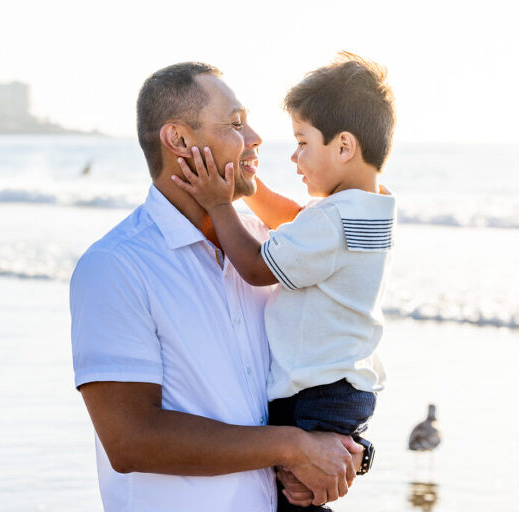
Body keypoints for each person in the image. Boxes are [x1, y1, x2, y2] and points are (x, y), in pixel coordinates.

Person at [70, 62, 364, 512]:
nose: (256, 138)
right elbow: (130, 440)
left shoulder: (267, 251)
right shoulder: (115, 265)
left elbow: (313, 375)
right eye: (236, 124)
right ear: (180, 141)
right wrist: (292, 446)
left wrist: (343, 453)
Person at [171, 53, 396, 511]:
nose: (294, 157)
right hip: (342, 389)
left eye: (302, 142)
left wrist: (220, 204)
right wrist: (251, 190)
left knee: (296, 500)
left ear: (344, 146)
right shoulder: (370, 206)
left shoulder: (333, 220)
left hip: (315, 392)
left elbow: (256, 267)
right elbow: (297, 222)